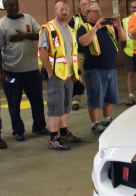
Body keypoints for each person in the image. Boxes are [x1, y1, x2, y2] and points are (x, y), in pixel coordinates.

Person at [0, 0, 49, 142]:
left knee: (37, 101)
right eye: (10, 5)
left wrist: (25, 35)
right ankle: (18, 131)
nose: (13, 7)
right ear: (5, 7)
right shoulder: (1, 25)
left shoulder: (28, 18)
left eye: (15, 4)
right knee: (14, 103)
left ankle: (39, 126)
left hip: (31, 70)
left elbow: (41, 34)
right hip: (12, 72)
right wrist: (1, 72)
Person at [38, 0, 83, 150]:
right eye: (61, 9)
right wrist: (49, 71)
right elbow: (42, 50)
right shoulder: (49, 28)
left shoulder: (70, 30)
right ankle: (53, 138)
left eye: (66, 9)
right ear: (55, 11)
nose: (64, 12)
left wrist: (76, 73)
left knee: (65, 105)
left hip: (68, 74)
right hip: (56, 74)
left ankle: (63, 133)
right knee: (55, 105)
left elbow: (72, 54)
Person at [77, 2, 127, 134]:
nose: (99, 14)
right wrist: (95, 28)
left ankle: (106, 119)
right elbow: (83, 42)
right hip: (95, 69)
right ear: (87, 14)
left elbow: (123, 38)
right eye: (96, 12)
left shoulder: (108, 27)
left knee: (109, 97)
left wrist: (118, 26)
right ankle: (94, 124)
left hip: (111, 67)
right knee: (95, 98)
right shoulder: (84, 27)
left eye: (100, 11)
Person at [68, 0, 91, 111]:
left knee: (94, 76)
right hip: (79, 52)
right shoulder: (75, 19)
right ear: (80, 6)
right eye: (84, 4)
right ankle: (76, 100)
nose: (86, 6)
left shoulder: (94, 18)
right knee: (79, 76)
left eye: (88, 3)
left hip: (92, 52)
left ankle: (94, 99)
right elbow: (67, 33)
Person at [123, 0, 136, 105]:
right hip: (129, 52)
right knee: (130, 73)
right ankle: (131, 95)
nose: (134, 9)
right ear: (130, 8)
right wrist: (124, 49)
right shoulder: (125, 21)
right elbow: (122, 37)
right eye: (133, 7)